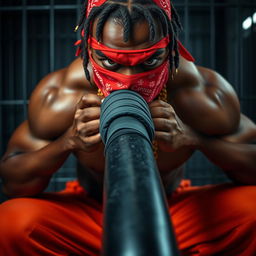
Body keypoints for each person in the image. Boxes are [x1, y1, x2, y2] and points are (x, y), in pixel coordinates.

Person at [0, 0, 256, 255]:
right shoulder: (62, 94)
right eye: (110, 62)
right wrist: (67, 141)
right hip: (89, 213)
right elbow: (14, 183)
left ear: (171, 49)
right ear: (89, 50)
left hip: (174, 211)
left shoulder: (200, 92)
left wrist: (194, 138)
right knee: (10, 223)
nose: (129, 80)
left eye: (150, 61)